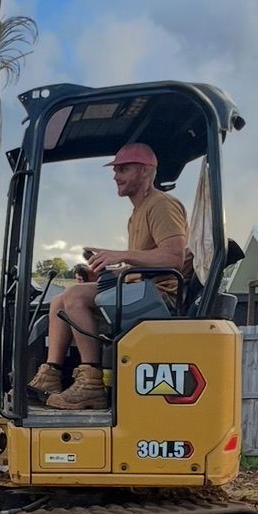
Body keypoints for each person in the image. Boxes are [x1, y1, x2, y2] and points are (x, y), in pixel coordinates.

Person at [31, 141, 187, 410]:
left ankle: (91, 384)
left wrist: (121, 256)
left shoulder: (161, 205)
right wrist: (109, 273)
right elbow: (145, 263)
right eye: (115, 171)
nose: (116, 176)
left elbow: (174, 257)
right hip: (142, 289)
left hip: (161, 297)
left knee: (75, 297)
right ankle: (51, 375)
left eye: (123, 169)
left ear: (145, 171)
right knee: (59, 303)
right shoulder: (137, 213)